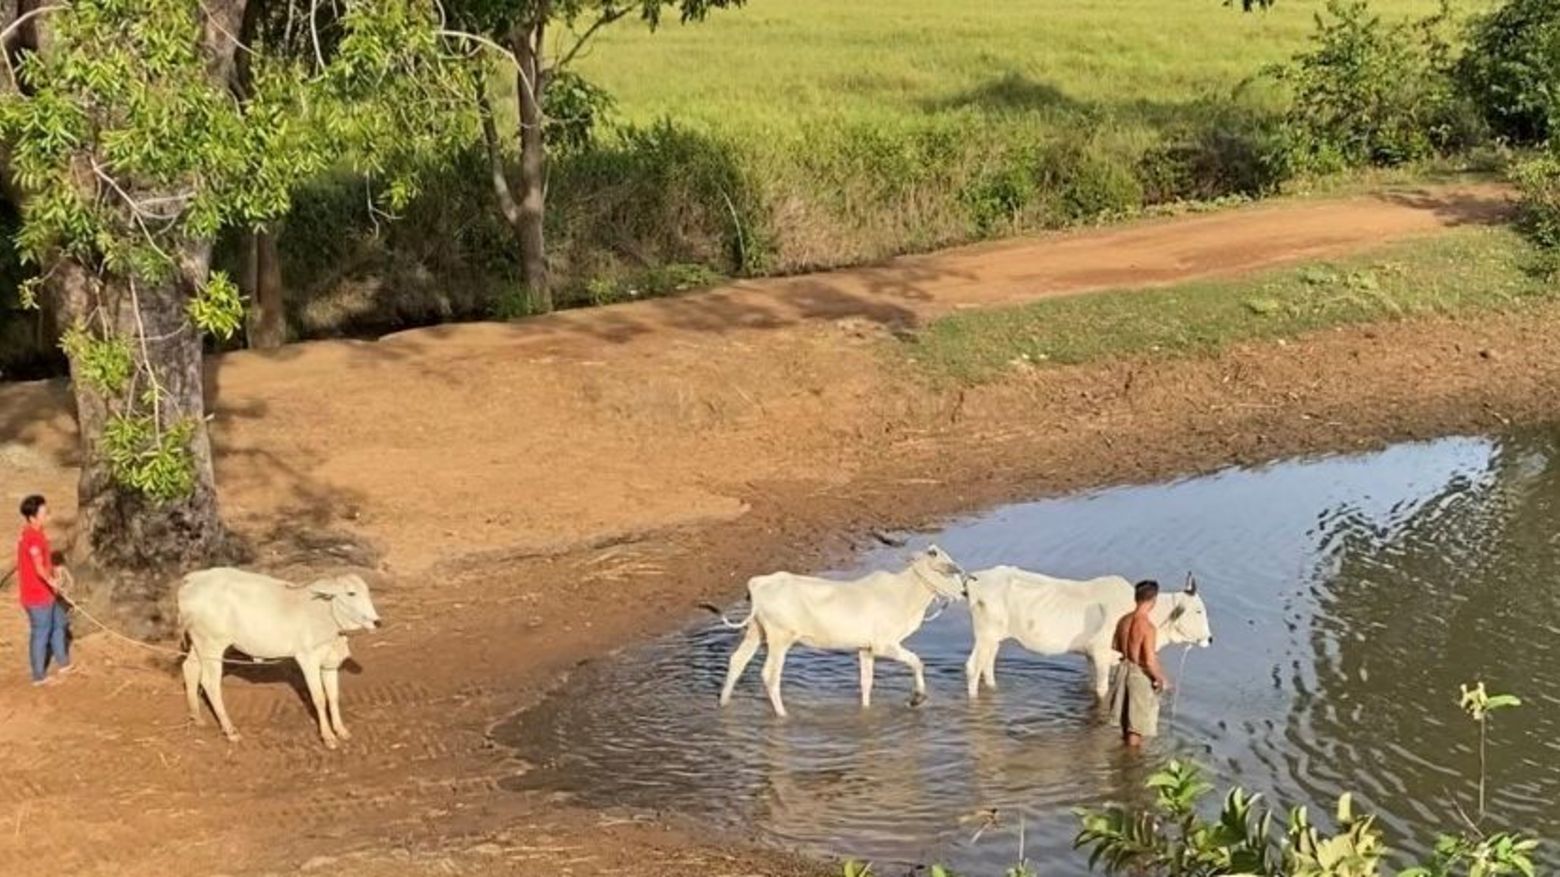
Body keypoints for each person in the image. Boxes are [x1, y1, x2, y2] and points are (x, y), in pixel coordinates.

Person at [1106, 579, 1169, 747]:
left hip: (1122, 670)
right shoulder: (1148, 627)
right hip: (1138, 675)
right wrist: (1161, 679)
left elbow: (1115, 646)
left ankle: (1124, 757)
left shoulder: (1123, 620)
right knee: (1137, 727)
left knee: (1125, 723)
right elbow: (1149, 660)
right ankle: (1132, 765)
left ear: (1136, 598)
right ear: (1153, 600)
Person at [16, 494, 71, 686]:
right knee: (41, 632)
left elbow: (41, 564)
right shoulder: (32, 537)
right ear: (33, 517)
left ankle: (63, 663)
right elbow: (38, 567)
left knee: (59, 623)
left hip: (46, 594)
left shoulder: (34, 533)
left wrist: (53, 572)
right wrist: (52, 580)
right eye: (44, 512)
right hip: (37, 596)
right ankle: (38, 676)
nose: (48, 514)